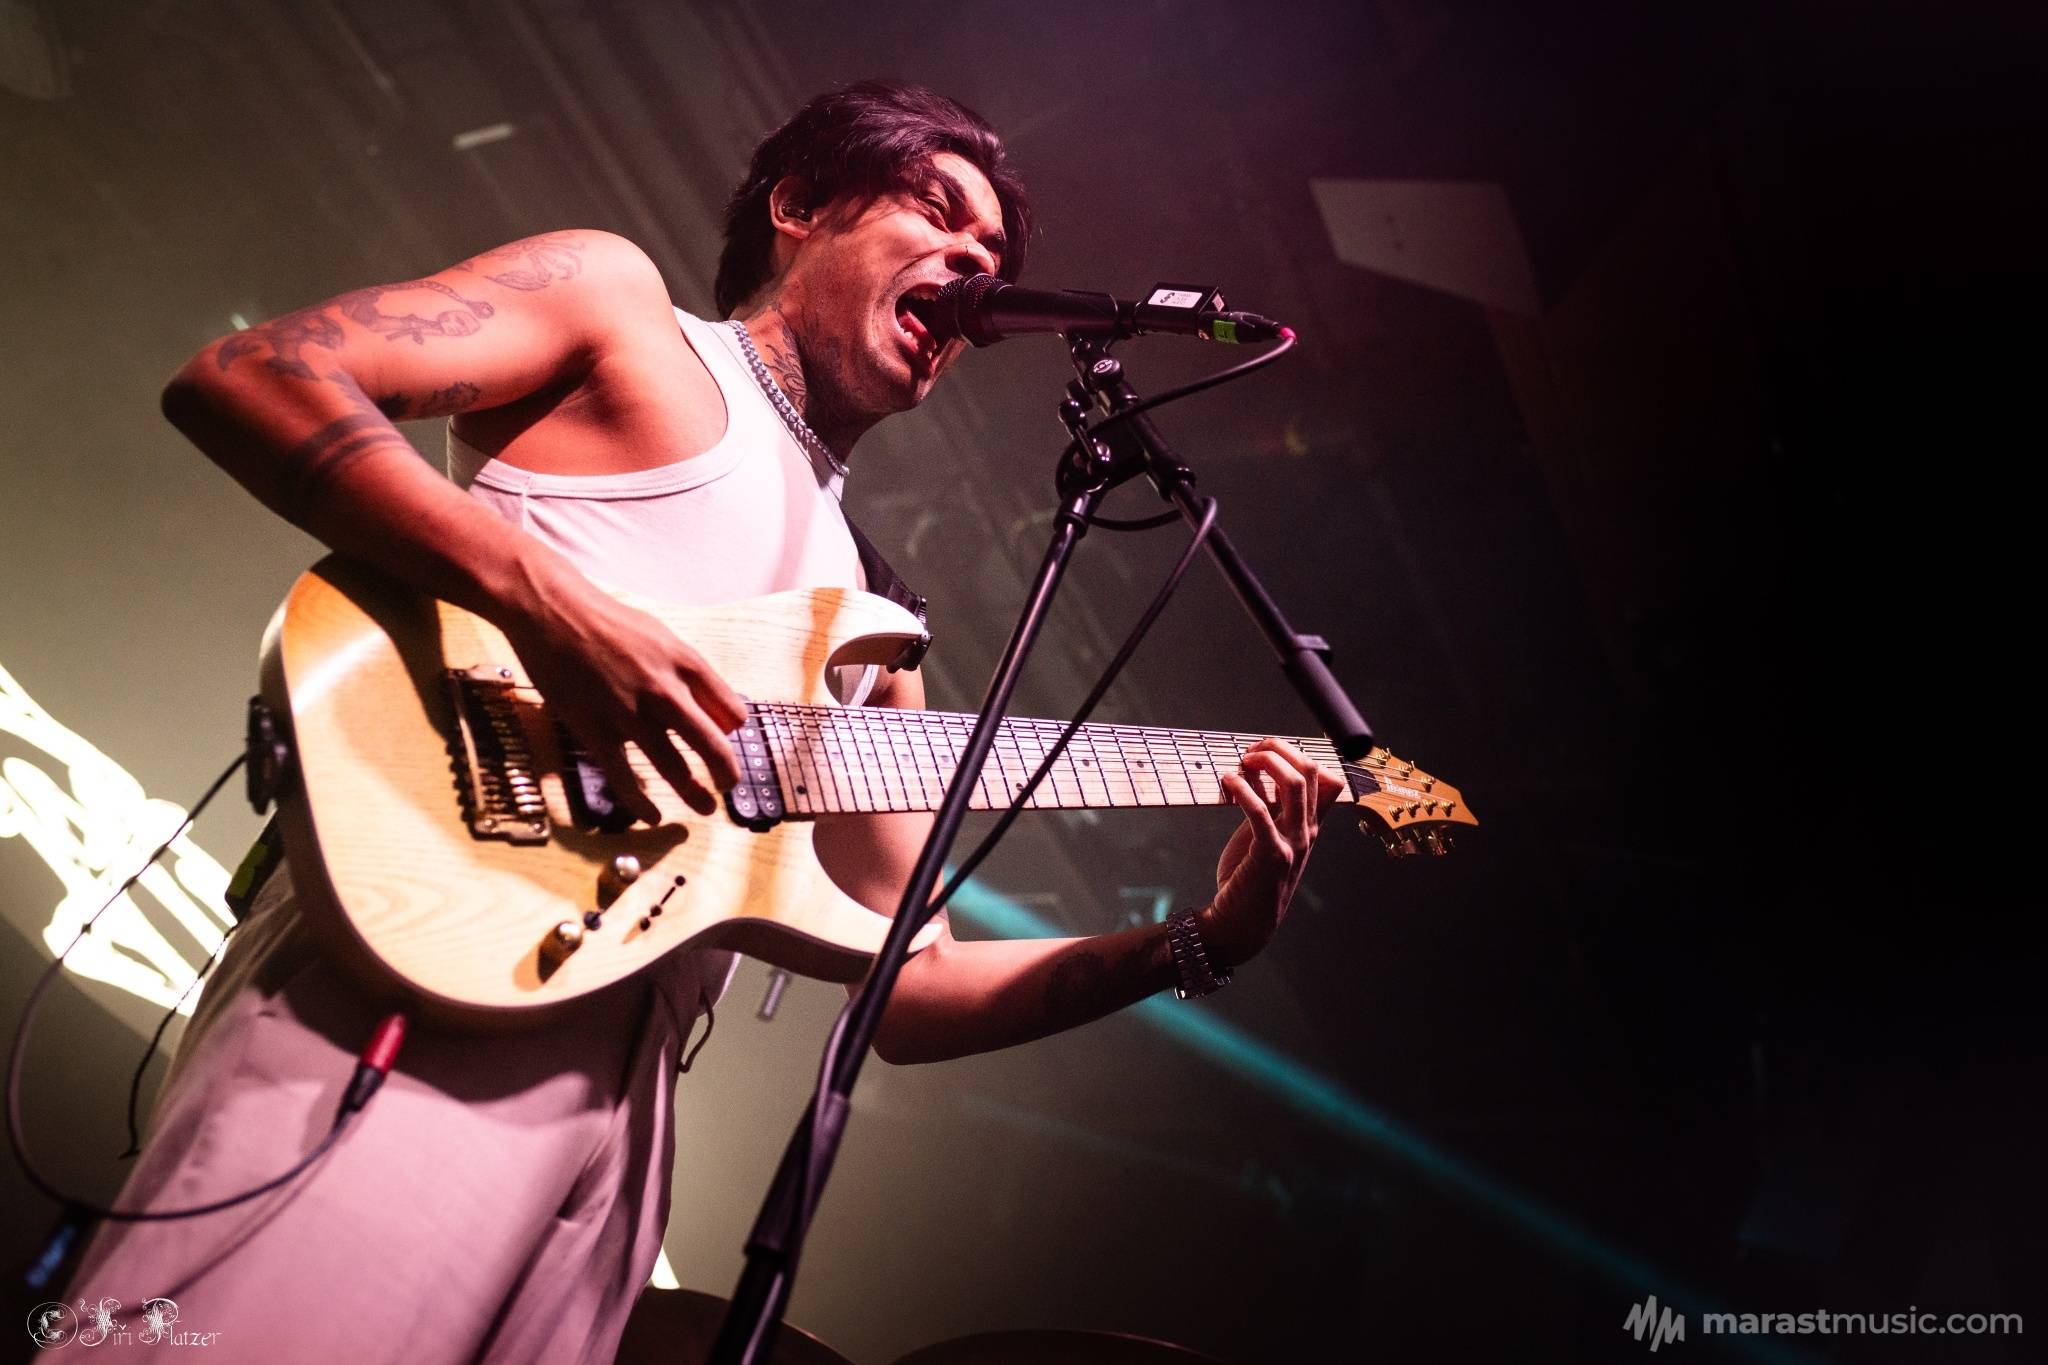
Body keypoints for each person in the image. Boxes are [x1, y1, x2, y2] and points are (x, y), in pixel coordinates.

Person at [62, 81, 1342, 1362]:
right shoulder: (618, 310)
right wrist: (557, 607)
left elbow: (915, 986)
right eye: (933, 209)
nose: (973, 260)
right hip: (430, 942)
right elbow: (253, 376)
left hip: (631, 1089)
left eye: (992, 251)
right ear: (799, 205)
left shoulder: (878, 616)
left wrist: (1200, 942)